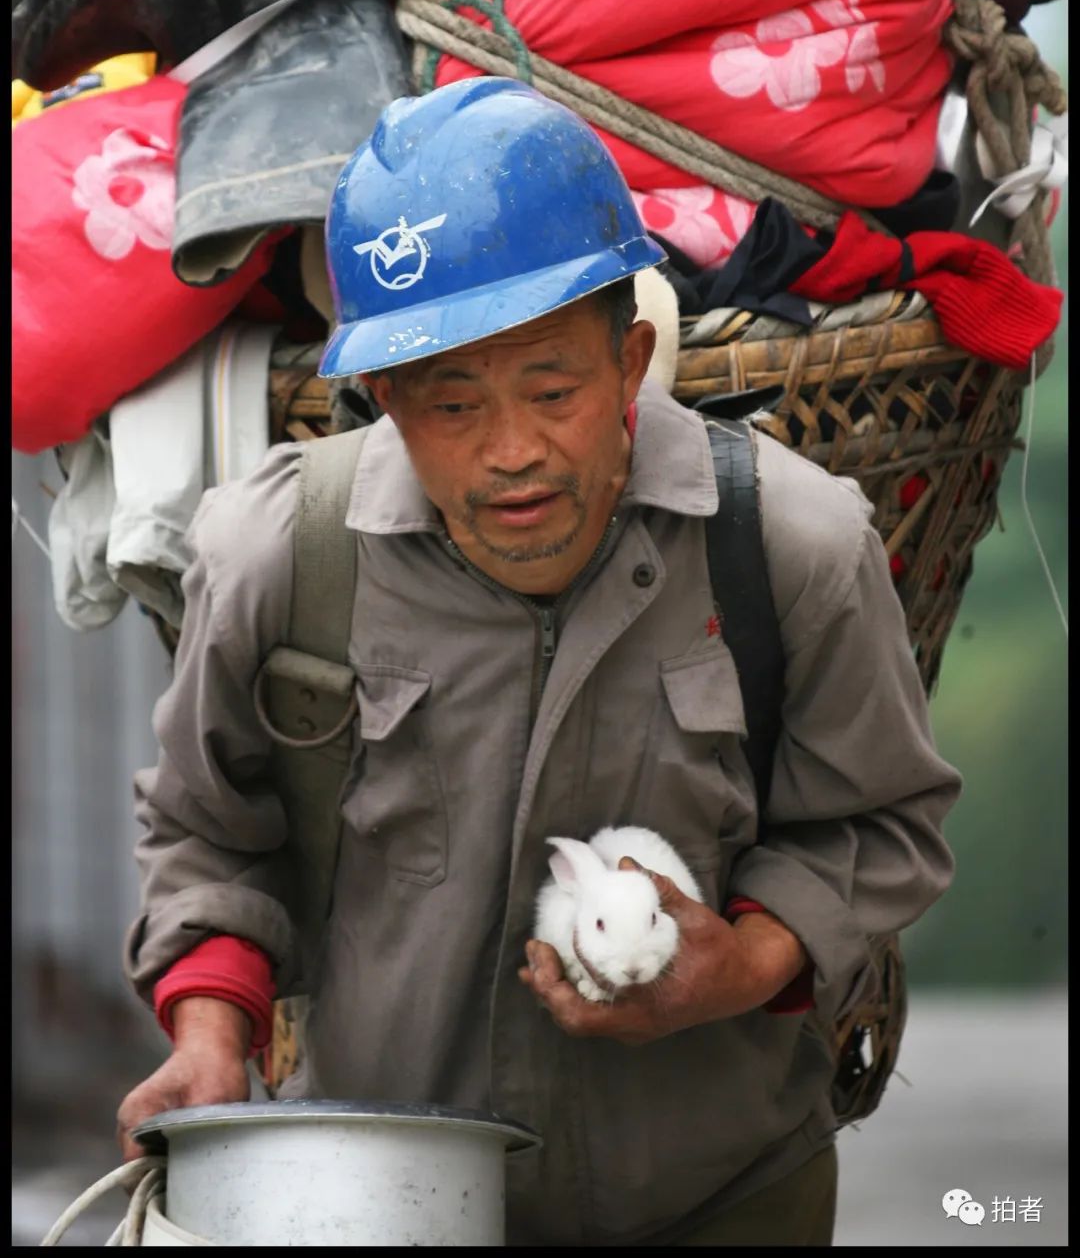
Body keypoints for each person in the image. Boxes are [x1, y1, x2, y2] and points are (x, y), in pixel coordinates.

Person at [117, 77, 962, 1246]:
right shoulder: (279, 555)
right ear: (384, 400)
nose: (512, 452)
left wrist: (736, 966)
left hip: (724, 1199)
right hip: (376, 1202)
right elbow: (207, 832)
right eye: (451, 404)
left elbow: (880, 827)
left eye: (553, 390)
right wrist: (210, 1040)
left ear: (632, 362)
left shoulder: (790, 545)